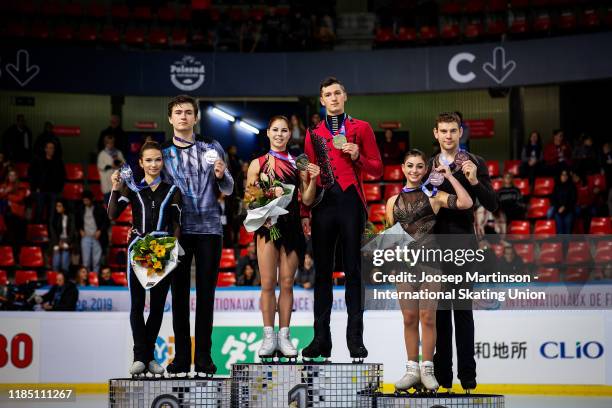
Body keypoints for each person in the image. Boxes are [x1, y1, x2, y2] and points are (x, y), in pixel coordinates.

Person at [301, 77, 383, 361]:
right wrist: (304, 212)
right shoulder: (313, 134)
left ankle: (355, 339)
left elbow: (377, 170)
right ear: (322, 100)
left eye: (337, 93)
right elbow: (308, 177)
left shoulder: (362, 128)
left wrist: (358, 155)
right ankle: (321, 339)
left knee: (353, 271)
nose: (333, 98)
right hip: (323, 205)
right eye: (328, 94)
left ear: (345, 96)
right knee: (322, 273)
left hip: (351, 203)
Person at [386, 149, 473, 392]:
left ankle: (427, 370)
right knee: (409, 318)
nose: (414, 171)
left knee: (428, 318)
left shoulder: (434, 196)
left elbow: (466, 202)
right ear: (403, 168)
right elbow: (390, 238)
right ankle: (411, 370)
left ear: (426, 170)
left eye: (419, 167)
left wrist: (450, 176)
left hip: (430, 265)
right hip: (404, 266)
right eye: (410, 166)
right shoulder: (392, 202)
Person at [161, 95, 234, 376]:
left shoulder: (211, 147)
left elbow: (228, 188)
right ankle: (181, 358)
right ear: (170, 118)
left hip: (209, 230)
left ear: (196, 117)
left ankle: (203, 357)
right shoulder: (163, 152)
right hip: (176, 232)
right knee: (178, 297)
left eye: (188, 112)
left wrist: (221, 174)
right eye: (178, 112)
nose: (183, 117)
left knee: (206, 296)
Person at [429, 112, 498, 391]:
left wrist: (474, 181)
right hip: (434, 247)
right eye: (443, 131)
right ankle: (443, 377)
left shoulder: (475, 162)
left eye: (453, 131)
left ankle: (467, 378)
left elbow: (492, 203)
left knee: (463, 313)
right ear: (436, 133)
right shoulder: (428, 165)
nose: (448, 136)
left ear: (460, 133)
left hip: (462, 247)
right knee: (440, 315)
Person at [246, 115, 319, 360]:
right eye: (275, 130)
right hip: (267, 227)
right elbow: (250, 199)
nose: (279, 134)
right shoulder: (257, 164)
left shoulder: (298, 163)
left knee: (287, 283)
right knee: (267, 283)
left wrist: (313, 179)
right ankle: (268, 337)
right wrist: (265, 201)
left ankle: (285, 335)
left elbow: (307, 200)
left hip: (292, 227)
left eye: (284, 130)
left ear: (290, 134)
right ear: (267, 133)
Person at [108, 141, 182, 377]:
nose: (153, 164)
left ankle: (146, 356)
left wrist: (174, 248)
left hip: (162, 250)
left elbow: (177, 224)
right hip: (137, 248)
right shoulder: (132, 188)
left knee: (158, 307)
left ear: (163, 162)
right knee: (137, 305)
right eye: (148, 160)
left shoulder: (173, 190)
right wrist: (115, 188)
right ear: (140, 163)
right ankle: (141, 357)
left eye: (157, 159)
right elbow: (112, 214)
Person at [29, 142, 65, 222]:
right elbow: (32, 174)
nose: (51, 150)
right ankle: (37, 229)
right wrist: (35, 187)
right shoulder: (38, 160)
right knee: (39, 211)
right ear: (45, 149)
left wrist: (59, 189)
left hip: (54, 191)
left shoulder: (58, 161)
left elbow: (62, 176)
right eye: (49, 148)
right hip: (40, 190)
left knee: (52, 212)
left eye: (52, 148)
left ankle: (51, 230)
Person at [76, 191, 109, 273]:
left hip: (97, 238)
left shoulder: (99, 208)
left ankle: (94, 279)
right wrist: (80, 229)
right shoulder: (80, 209)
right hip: (85, 237)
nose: (85, 202)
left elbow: (106, 221)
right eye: (84, 200)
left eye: (87, 200)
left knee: (96, 261)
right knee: (86, 261)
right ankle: (85, 279)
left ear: (91, 200)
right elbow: (76, 221)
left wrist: (100, 231)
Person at [0, 169, 28, 245]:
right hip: (5, 213)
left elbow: (20, 198)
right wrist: (6, 191)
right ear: (8, 176)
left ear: (16, 176)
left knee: (15, 236)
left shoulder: (21, 186)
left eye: (13, 175)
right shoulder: (4, 185)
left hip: (16, 213)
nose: (11, 177)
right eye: (10, 175)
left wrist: (7, 195)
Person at [49, 199, 77, 272]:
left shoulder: (71, 216)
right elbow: (53, 231)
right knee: (56, 263)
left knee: (64, 263)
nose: (57, 208)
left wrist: (66, 243)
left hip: (68, 241)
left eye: (59, 206)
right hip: (57, 240)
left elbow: (72, 231)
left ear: (64, 207)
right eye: (57, 206)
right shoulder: (54, 217)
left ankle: (65, 279)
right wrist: (57, 243)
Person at [97, 135, 126, 203]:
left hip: (118, 182)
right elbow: (101, 166)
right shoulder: (102, 154)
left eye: (112, 142)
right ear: (105, 143)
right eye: (108, 143)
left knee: (118, 203)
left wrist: (120, 163)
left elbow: (124, 164)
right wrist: (111, 166)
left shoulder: (118, 153)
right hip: (107, 182)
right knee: (108, 204)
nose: (110, 144)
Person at [548, 169, 577, 234]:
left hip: (568, 210)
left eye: (566, 175)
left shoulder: (572, 186)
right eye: (563, 175)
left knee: (567, 232)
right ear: (560, 176)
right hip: (558, 211)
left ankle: (566, 244)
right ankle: (560, 244)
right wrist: (559, 207)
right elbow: (553, 199)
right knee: (560, 231)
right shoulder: (556, 186)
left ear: (568, 176)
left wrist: (564, 207)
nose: (564, 176)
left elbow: (573, 200)